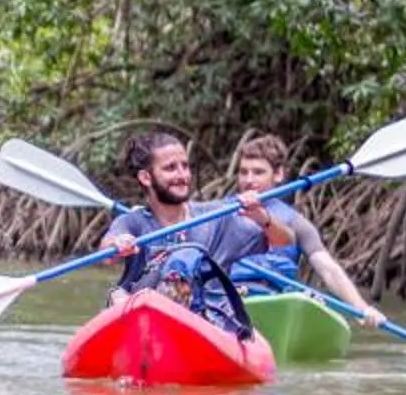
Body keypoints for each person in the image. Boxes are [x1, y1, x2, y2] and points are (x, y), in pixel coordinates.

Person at [101, 128, 287, 314]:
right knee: (116, 295)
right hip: (145, 317)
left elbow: (283, 241)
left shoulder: (218, 217)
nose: (182, 176)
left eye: (185, 166)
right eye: (170, 168)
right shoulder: (133, 222)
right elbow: (107, 251)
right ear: (146, 178)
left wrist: (264, 219)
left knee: (187, 255)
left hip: (207, 318)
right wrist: (118, 244)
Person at [225, 132, 385, 322]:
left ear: (278, 175)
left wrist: (362, 308)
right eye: (243, 172)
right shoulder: (219, 213)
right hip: (230, 298)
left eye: (258, 172)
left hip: (278, 300)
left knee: (312, 299)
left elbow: (328, 269)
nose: (248, 180)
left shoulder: (296, 223)